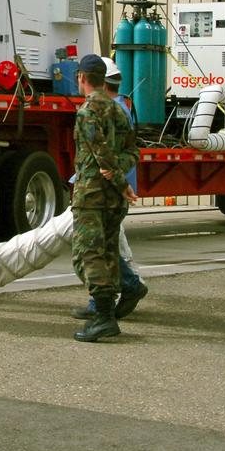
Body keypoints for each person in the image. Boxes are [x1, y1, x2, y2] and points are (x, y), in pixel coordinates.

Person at [70, 56, 148, 321]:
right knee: (109, 252)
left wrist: (117, 177)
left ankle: (103, 315)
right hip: (114, 197)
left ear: (82, 77)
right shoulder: (119, 109)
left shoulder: (87, 112)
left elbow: (99, 154)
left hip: (92, 195)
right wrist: (121, 180)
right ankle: (108, 310)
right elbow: (133, 151)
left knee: (87, 255)